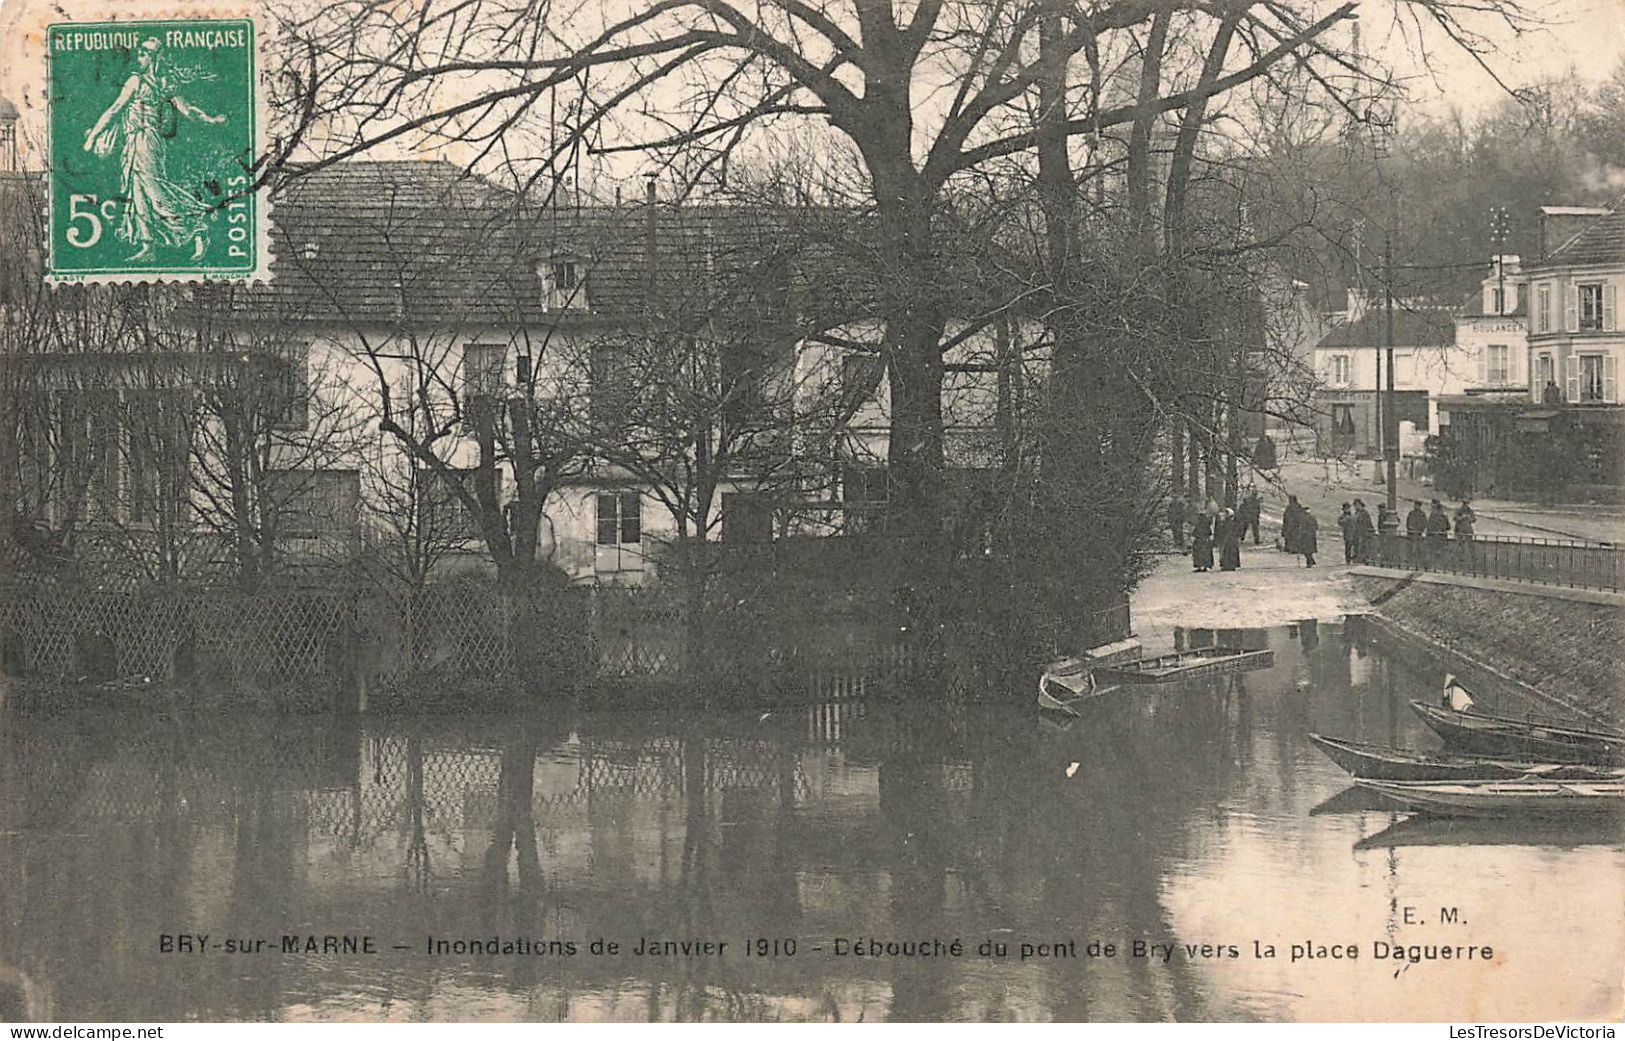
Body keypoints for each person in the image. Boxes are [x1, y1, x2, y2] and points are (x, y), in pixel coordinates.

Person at [84, 39, 227, 262]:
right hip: (133, 142)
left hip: (148, 140)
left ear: (153, 58)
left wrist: (210, 119)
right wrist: (94, 135)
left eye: (143, 54)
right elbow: (115, 110)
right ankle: (147, 246)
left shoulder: (155, 83)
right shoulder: (145, 81)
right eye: (139, 54)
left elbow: (186, 109)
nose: (138, 58)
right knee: (137, 192)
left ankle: (197, 228)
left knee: (155, 191)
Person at [1352, 499, 1376, 563]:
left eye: (1356, 505)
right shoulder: (1356, 513)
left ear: (1360, 504)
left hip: (1363, 533)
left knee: (1362, 547)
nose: (1355, 507)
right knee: (1356, 547)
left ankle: (1362, 559)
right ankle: (1358, 558)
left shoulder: (1364, 513)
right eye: (1354, 505)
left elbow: (1365, 524)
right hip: (1357, 533)